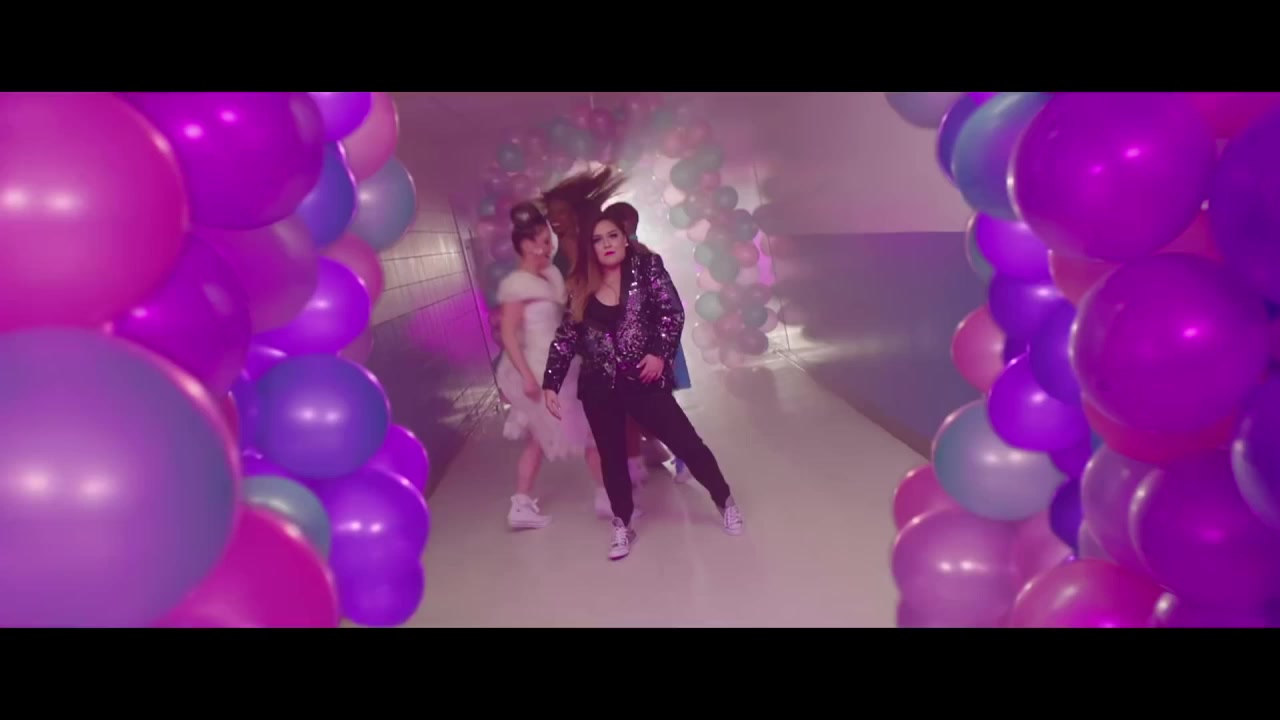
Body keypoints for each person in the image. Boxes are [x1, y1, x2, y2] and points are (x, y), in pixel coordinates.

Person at [543, 198, 744, 560]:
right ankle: (622, 524)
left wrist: (659, 353)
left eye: (612, 236)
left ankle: (724, 499)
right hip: (599, 385)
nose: (606, 244)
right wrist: (550, 382)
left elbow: (671, 313)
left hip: (643, 378)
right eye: (598, 240)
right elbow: (566, 337)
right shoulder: (580, 284)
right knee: (612, 458)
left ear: (624, 238)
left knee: (686, 443)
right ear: (591, 247)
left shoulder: (647, 268)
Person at [494, 203, 605, 529]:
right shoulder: (517, 285)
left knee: (540, 440)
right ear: (527, 245)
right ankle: (608, 498)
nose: (547, 247)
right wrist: (527, 377)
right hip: (540, 369)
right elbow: (508, 335)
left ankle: (521, 504)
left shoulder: (548, 277)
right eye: (542, 241)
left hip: (559, 365)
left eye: (549, 241)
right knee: (588, 433)